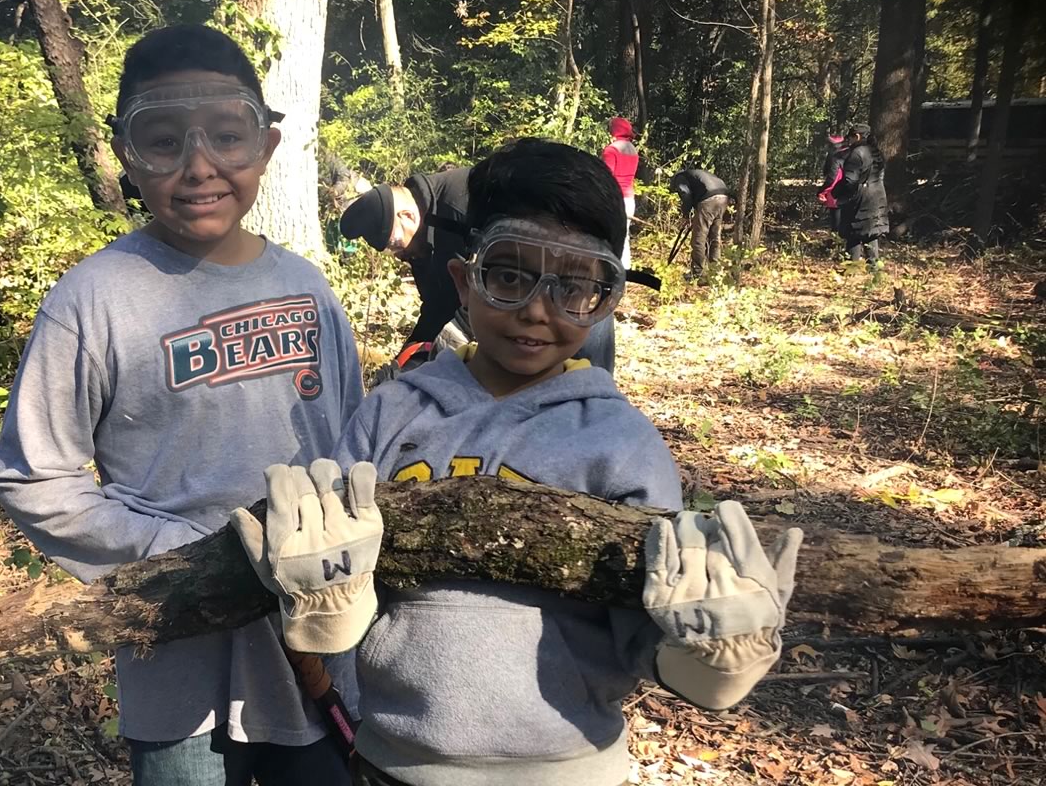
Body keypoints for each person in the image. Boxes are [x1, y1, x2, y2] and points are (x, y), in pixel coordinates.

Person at [232, 139, 803, 786]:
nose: (536, 308)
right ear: (462, 280)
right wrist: (325, 612)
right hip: (392, 765)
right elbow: (338, 603)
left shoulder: (620, 446)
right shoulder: (390, 416)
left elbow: (643, 637)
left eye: (574, 285)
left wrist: (706, 658)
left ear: (605, 300)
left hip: (568, 770)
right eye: (509, 275)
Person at [0, 24, 363, 786]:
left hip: (317, 639)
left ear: (266, 144)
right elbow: (35, 477)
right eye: (163, 140)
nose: (200, 168)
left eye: (229, 136)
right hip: (177, 657)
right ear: (126, 153)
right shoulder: (93, 299)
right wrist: (182, 556)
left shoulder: (306, 288)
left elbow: (356, 442)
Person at [338, 166, 618, 379]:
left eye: (397, 245)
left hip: (574, 299)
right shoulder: (424, 228)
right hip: (520, 309)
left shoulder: (457, 206)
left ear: (408, 216)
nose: (402, 255)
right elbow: (436, 306)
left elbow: (476, 295)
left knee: (586, 390)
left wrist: (437, 351)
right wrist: (405, 363)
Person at [831, 123, 888, 266]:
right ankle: (874, 271)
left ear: (857, 137)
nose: (848, 142)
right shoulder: (876, 152)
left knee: (853, 232)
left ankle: (851, 269)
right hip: (878, 196)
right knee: (870, 233)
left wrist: (837, 192)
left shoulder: (857, 153)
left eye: (850, 138)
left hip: (860, 199)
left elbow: (850, 181)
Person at [669, 167, 732, 278]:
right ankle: (715, 271)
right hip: (724, 196)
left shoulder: (680, 178)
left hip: (709, 199)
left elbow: (686, 193)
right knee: (714, 236)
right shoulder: (696, 175)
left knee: (699, 238)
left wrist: (685, 215)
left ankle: (697, 273)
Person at [602, 116, 640, 268]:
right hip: (629, 199)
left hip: (614, 199)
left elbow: (606, 177)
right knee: (624, 237)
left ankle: (610, 272)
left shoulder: (611, 150)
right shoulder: (633, 150)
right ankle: (624, 271)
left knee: (608, 235)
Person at [817, 133, 848, 235]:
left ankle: (836, 244)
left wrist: (822, 191)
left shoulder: (836, 157)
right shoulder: (852, 153)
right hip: (849, 191)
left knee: (837, 222)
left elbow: (832, 178)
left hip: (836, 193)